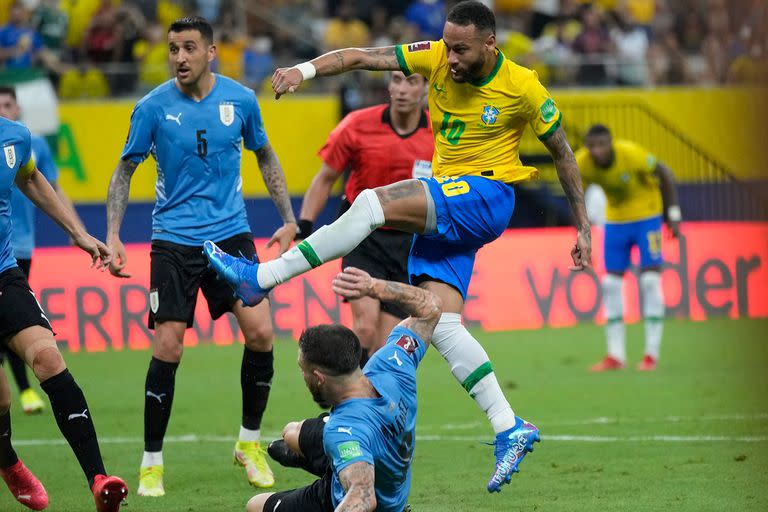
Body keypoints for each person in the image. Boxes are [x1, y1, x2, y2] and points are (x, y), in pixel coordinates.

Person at [205, 0, 592, 493]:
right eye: (447, 46)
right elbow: (360, 57)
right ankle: (508, 425)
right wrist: (303, 70)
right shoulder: (432, 56)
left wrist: (581, 226)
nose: (449, 58)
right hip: (453, 208)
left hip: (486, 196)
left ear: (490, 44)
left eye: (461, 49)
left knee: (371, 202)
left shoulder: (523, 86)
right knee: (439, 320)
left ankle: (261, 278)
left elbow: (562, 152)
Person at [105, 16, 297, 496]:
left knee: (261, 331)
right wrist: (112, 235)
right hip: (173, 239)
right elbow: (124, 171)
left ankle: (248, 444)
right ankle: (152, 462)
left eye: (190, 48)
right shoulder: (151, 108)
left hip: (231, 236)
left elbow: (266, 156)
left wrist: (288, 217)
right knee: (169, 345)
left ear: (211, 52)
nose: (180, 58)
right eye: (173, 49)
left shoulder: (241, 100)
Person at [246, 266, 453, 512]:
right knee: (291, 434)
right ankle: (315, 458)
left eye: (303, 369)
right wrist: (375, 286)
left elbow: (363, 498)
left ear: (319, 377)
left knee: (254, 506)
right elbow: (432, 307)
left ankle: (321, 461)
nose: (302, 376)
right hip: (381, 464)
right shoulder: (392, 364)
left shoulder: (343, 431)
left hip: (338, 494)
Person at [0, 116, 127, 511]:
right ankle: (9, 464)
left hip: (4, 273)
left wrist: (77, 232)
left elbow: (31, 177)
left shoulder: (15, 136)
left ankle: (99, 479)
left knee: (48, 358)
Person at [297, 70, 433, 363]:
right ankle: (349, 402)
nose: (401, 89)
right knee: (364, 328)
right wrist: (304, 224)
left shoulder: (441, 137)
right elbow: (325, 179)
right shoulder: (357, 125)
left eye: (411, 81)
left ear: (426, 88)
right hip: (361, 235)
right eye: (396, 80)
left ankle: (366, 404)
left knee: (387, 344)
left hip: (408, 245)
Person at [0, 85, 84, 416]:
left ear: (18, 109)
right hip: (8, 250)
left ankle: (20, 391)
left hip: (20, 245)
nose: (4, 108)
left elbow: (47, 185)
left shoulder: (25, 143)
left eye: (8, 103)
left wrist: (78, 232)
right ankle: (22, 391)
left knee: (14, 321)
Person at [575, 124, 680, 372]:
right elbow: (574, 193)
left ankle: (651, 355)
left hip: (647, 216)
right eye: (592, 146)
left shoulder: (630, 154)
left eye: (602, 145)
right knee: (610, 284)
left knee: (650, 282)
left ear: (611, 143)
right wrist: (582, 231)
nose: (597, 151)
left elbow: (664, 172)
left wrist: (672, 214)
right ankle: (615, 355)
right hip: (616, 221)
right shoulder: (582, 163)